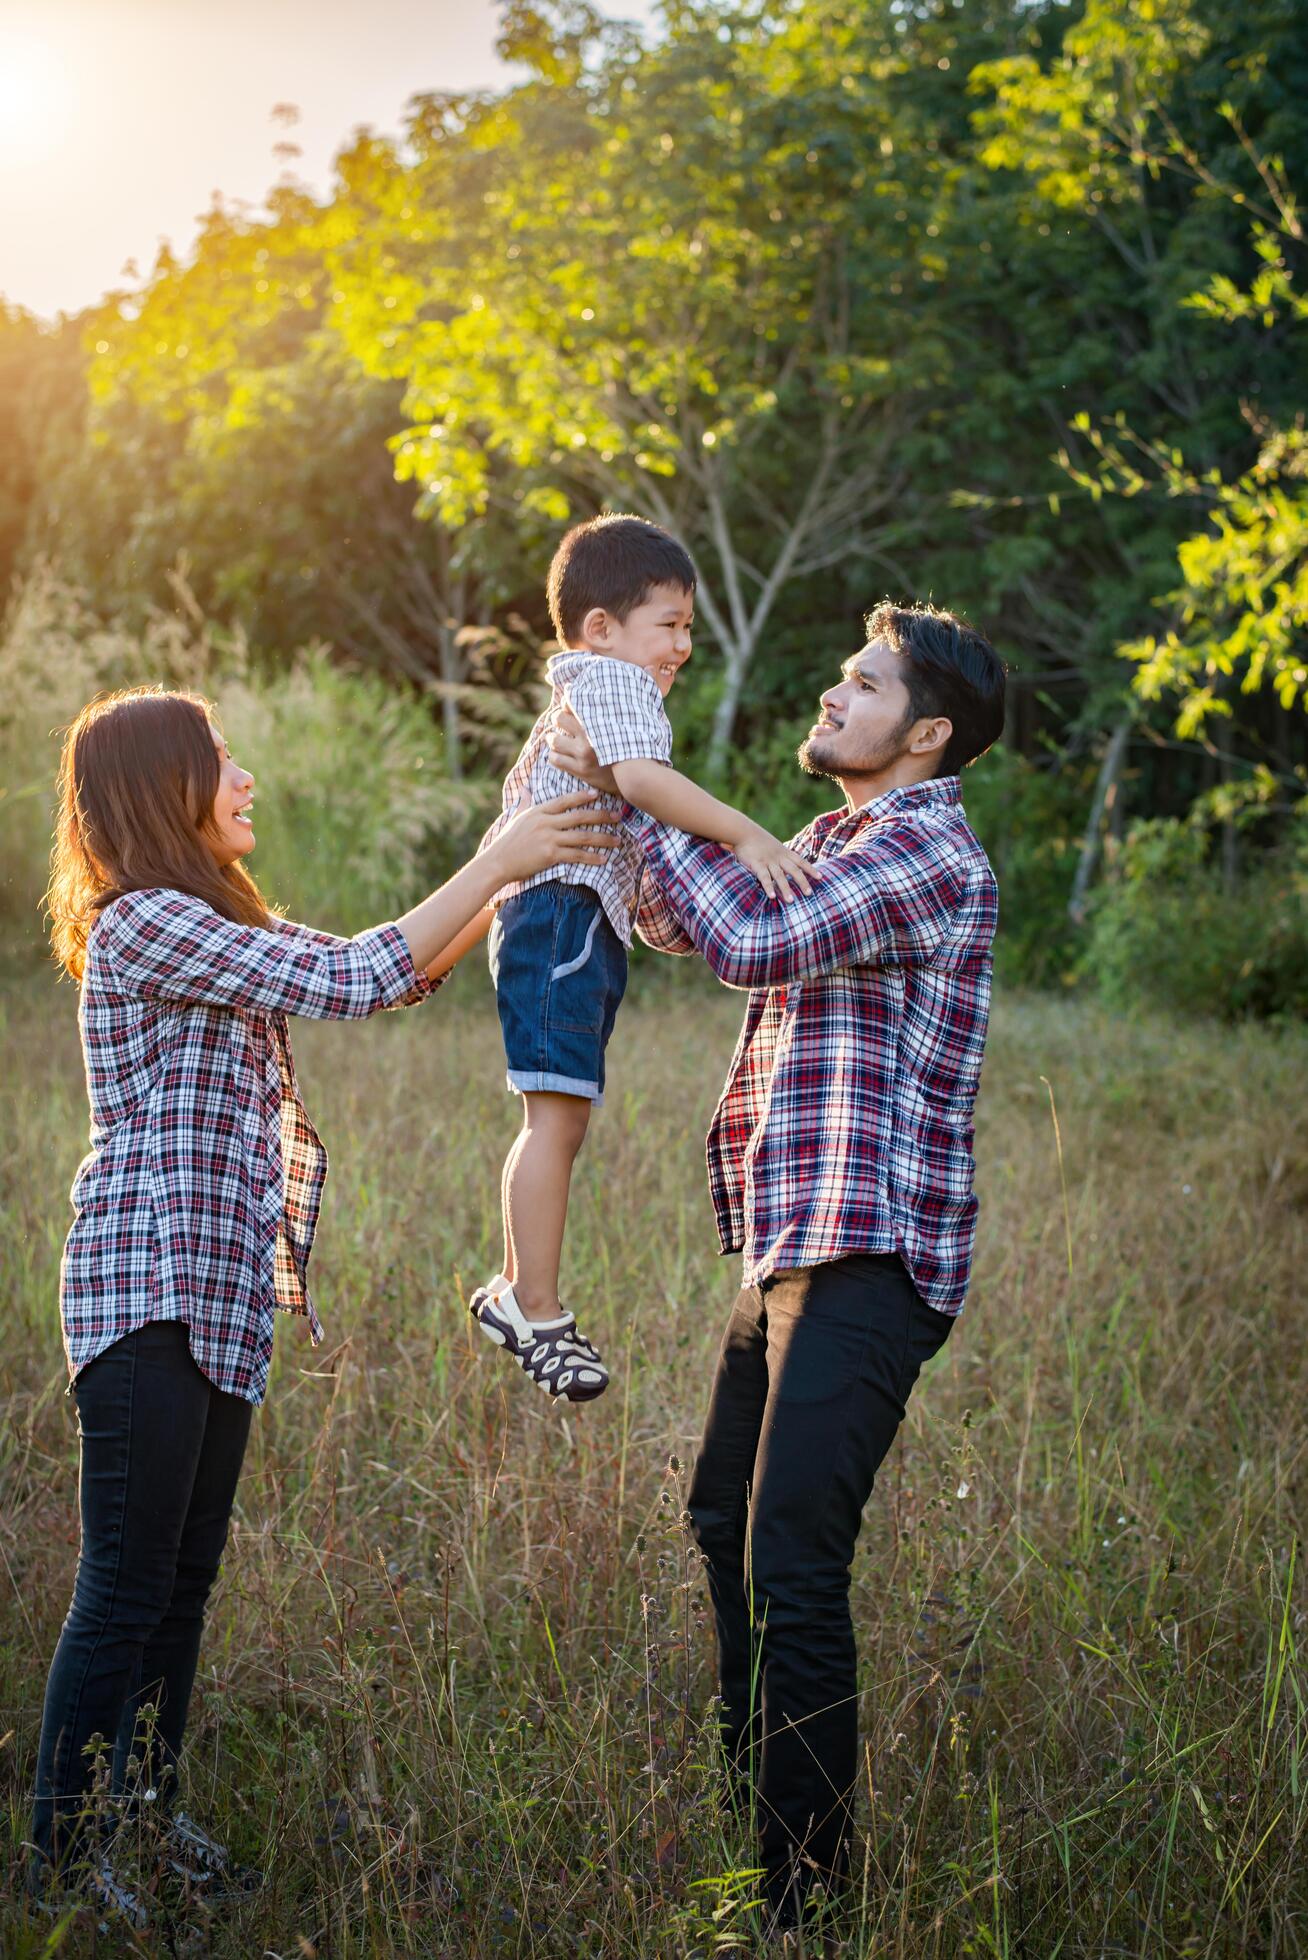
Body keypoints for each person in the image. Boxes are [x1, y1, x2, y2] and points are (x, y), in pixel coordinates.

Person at [30, 685, 619, 1924]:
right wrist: (498, 854)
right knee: (126, 1585)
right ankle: (65, 1864)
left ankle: (143, 1815)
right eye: (221, 762)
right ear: (160, 792)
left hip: (215, 1293)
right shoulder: (145, 923)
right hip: (147, 1284)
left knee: (182, 1582)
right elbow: (356, 972)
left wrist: (509, 886)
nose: (245, 779)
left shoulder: (200, 922)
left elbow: (389, 979)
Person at [549, 601, 1005, 1934]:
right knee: (722, 1527)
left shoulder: (929, 853)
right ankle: (765, 1843)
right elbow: (693, 920)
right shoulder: (834, 839)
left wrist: (631, 792)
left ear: (926, 733)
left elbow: (750, 938)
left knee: (794, 1558)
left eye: (862, 685)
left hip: (871, 1253)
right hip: (791, 1240)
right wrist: (633, 814)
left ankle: (808, 1897)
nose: (832, 695)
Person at [466, 514, 814, 1402]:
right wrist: (746, 834)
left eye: (688, 627)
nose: (684, 646)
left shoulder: (591, 685)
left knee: (557, 1118)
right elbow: (647, 783)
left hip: (566, 919)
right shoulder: (612, 684)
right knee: (555, 1121)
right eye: (672, 623)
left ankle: (519, 1292)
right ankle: (532, 1304)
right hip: (561, 917)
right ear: (601, 626)